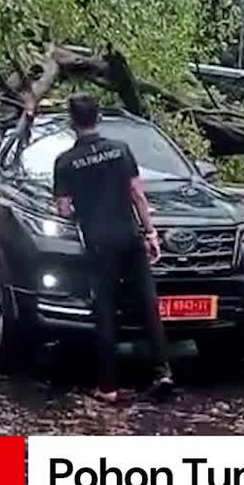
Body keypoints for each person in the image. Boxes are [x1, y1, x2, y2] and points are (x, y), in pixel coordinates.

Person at [53, 93, 173, 404]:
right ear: (99, 118)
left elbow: (64, 209)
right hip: (129, 236)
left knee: (105, 310)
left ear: (71, 121)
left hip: (98, 242)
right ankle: (162, 371)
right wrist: (151, 233)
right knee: (148, 303)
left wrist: (77, 208)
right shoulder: (121, 150)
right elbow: (137, 194)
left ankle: (108, 386)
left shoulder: (65, 162)